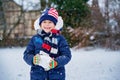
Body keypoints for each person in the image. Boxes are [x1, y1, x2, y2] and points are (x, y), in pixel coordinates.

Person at [23, 7, 71, 80]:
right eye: (44, 22)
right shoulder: (35, 39)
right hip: (38, 75)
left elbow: (67, 55)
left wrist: (56, 62)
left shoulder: (60, 39)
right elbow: (27, 54)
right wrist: (33, 59)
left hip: (56, 75)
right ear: (40, 24)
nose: (47, 25)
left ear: (55, 24)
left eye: (50, 22)